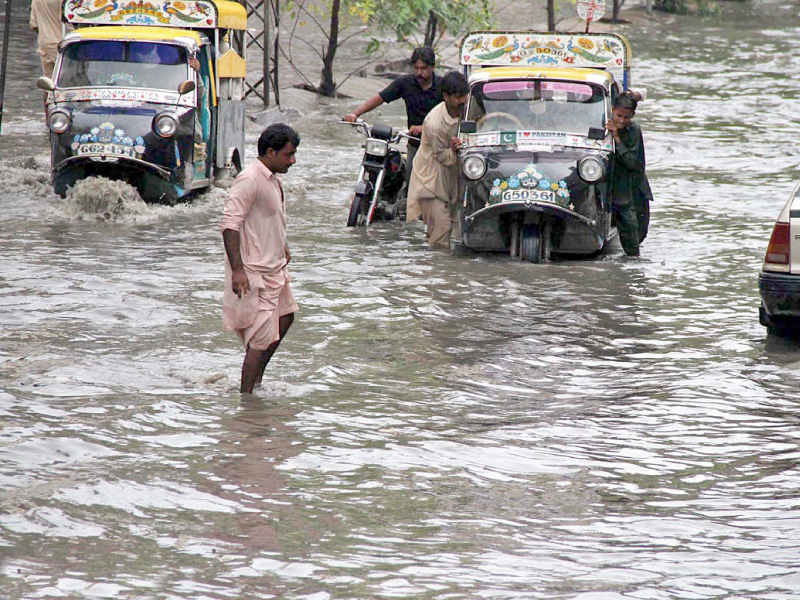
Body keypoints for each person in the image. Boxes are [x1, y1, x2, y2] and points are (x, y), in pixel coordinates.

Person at [220, 124, 300, 394]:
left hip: (275, 266)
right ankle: (247, 402)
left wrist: (283, 245)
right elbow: (230, 223)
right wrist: (238, 270)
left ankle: (256, 382)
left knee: (286, 317)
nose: (293, 160)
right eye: (289, 154)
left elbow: (269, 218)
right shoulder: (250, 178)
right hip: (256, 272)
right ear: (270, 152)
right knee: (259, 339)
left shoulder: (272, 179)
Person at [343, 47, 442, 190]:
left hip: (437, 145)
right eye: (416, 68)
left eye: (424, 68)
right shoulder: (405, 83)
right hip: (415, 143)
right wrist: (355, 114)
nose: (419, 72)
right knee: (411, 184)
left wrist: (423, 128)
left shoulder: (442, 87)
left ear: (433, 67)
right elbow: (380, 98)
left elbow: (451, 115)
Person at [406, 71, 469, 249]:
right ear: (446, 97)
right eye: (458, 97)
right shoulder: (435, 123)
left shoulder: (468, 108)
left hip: (452, 177)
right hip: (431, 179)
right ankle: (438, 271)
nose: (463, 101)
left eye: (465, 96)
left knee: (444, 228)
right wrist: (454, 149)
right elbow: (443, 157)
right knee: (442, 228)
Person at [605, 91, 652, 256]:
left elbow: (632, 162)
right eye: (619, 115)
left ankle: (632, 268)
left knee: (638, 231)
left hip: (632, 184)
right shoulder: (601, 123)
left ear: (632, 115)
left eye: (626, 117)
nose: (622, 120)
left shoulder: (634, 131)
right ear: (612, 110)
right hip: (611, 184)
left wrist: (617, 138)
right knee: (628, 226)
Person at [30, 0, 71, 79]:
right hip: (67, 43)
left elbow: (34, 25)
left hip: (46, 44)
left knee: (48, 81)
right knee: (67, 80)